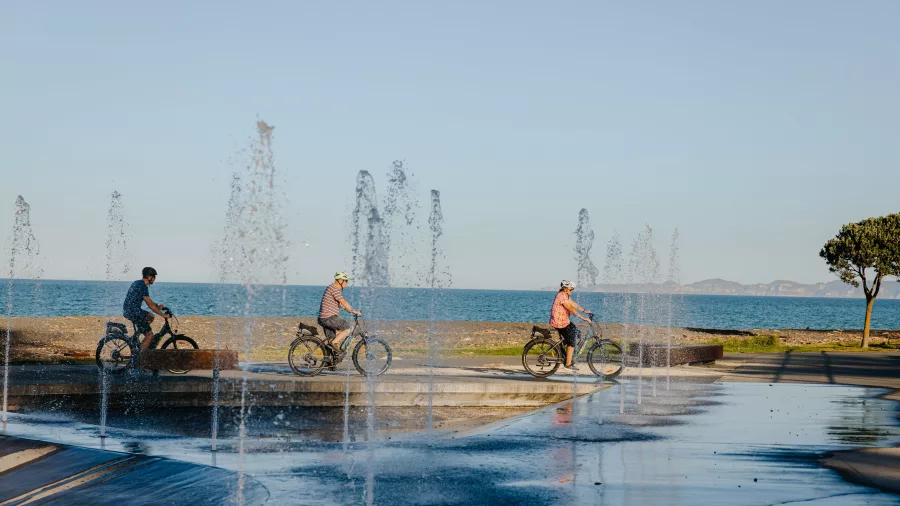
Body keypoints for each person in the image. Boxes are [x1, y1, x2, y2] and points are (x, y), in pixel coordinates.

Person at [123, 267, 170, 349]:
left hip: (129, 310)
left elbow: (149, 301)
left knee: (150, 316)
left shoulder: (138, 283)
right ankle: (139, 357)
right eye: (154, 277)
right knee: (150, 335)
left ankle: (136, 337)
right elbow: (150, 305)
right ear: (149, 277)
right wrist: (163, 315)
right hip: (134, 312)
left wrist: (157, 306)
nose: (154, 279)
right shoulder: (143, 286)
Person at [549, 280, 592, 369]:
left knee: (577, 333)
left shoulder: (565, 295)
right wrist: (584, 318)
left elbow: (573, 304)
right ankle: (568, 363)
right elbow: (571, 309)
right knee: (572, 341)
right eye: (571, 289)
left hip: (565, 321)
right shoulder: (561, 297)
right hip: (560, 322)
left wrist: (584, 310)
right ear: (565, 289)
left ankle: (565, 351)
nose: (572, 291)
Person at [318, 271, 362, 353]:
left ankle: (329, 363)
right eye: (346, 281)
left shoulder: (332, 288)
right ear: (340, 281)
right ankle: (333, 343)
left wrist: (349, 310)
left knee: (331, 343)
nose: (347, 283)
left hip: (324, 318)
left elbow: (340, 304)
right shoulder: (335, 289)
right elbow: (343, 302)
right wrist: (354, 311)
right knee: (347, 328)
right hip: (328, 318)